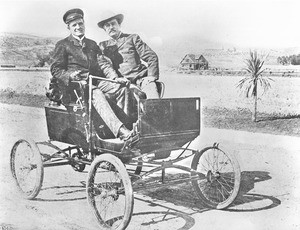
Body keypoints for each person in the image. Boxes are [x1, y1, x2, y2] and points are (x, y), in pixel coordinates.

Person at [50, 8, 133, 140]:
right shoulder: (63, 45)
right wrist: (70, 75)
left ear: (84, 23)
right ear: (69, 27)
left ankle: (128, 128)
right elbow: (56, 69)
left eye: (80, 23)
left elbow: (103, 64)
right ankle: (121, 132)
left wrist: (115, 78)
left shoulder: (92, 44)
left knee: (121, 88)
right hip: (74, 88)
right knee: (95, 93)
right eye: (74, 25)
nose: (78, 27)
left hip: (94, 82)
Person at [97, 11, 161, 99]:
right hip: (121, 82)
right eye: (107, 25)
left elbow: (151, 57)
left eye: (113, 24)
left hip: (141, 79)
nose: (111, 27)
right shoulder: (103, 46)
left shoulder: (132, 38)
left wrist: (151, 76)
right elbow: (105, 66)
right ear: (104, 29)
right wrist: (115, 79)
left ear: (119, 25)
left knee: (154, 100)